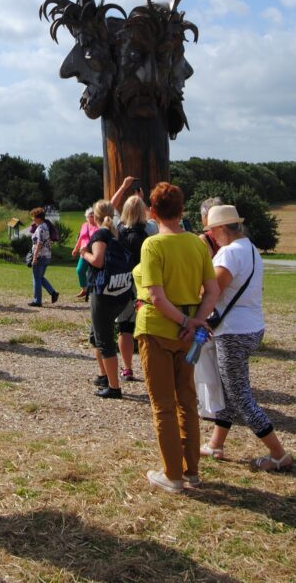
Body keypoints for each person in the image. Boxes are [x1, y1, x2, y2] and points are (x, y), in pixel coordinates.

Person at [133, 182, 219, 492]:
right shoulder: (198, 244)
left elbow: (156, 297)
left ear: (151, 212)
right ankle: (191, 471)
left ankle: (171, 475)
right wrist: (195, 321)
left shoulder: (152, 245)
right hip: (188, 335)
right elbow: (212, 291)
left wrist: (184, 319)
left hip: (156, 329)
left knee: (163, 406)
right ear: (182, 211)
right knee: (187, 401)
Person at [200, 204, 292, 470]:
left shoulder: (228, 254)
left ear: (219, 229)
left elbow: (212, 290)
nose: (211, 236)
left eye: (211, 231)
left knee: (240, 395)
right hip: (252, 327)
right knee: (231, 388)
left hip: (232, 332)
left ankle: (278, 454)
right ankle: (216, 443)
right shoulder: (250, 249)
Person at [82, 199, 133, 398]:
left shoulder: (100, 234)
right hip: (120, 290)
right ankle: (105, 376)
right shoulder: (117, 233)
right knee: (97, 335)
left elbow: (97, 260)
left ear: (94, 217)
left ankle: (114, 387)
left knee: (104, 340)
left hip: (103, 292)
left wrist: (84, 253)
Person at [115, 194, 150, 382]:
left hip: (122, 283)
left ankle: (127, 369)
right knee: (146, 330)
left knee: (124, 328)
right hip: (144, 283)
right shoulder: (149, 230)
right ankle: (149, 368)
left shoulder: (117, 230)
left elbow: (109, 207)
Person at [27, 207, 60, 307]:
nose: (32, 219)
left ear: (38, 218)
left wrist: (35, 257)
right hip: (47, 256)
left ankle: (37, 301)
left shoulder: (41, 228)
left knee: (36, 278)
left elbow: (39, 243)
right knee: (40, 277)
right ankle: (53, 293)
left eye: (33, 217)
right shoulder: (46, 226)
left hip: (40, 256)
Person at [71, 208, 96, 298]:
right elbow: (81, 238)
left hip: (94, 252)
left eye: (93, 215)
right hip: (83, 252)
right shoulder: (84, 225)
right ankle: (85, 289)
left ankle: (95, 291)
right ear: (86, 217)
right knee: (80, 270)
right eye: (90, 215)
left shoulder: (98, 226)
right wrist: (75, 249)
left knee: (94, 272)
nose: (92, 216)